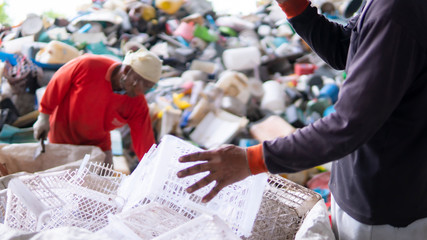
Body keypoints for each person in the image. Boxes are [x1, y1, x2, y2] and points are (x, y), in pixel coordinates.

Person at [177, 0, 427, 239]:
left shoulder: (398, 10)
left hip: (385, 205)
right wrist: (294, 6)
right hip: (369, 183)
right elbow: (346, 48)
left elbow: (348, 125)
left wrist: (250, 160)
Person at [33, 48, 162, 165]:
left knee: (105, 180)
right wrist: (44, 117)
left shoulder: (137, 103)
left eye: (148, 88)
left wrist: (150, 167)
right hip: (62, 136)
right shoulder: (89, 65)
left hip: (97, 144)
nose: (143, 92)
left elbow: (144, 143)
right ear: (127, 70)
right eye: (143, 85)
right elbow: (57, 84)